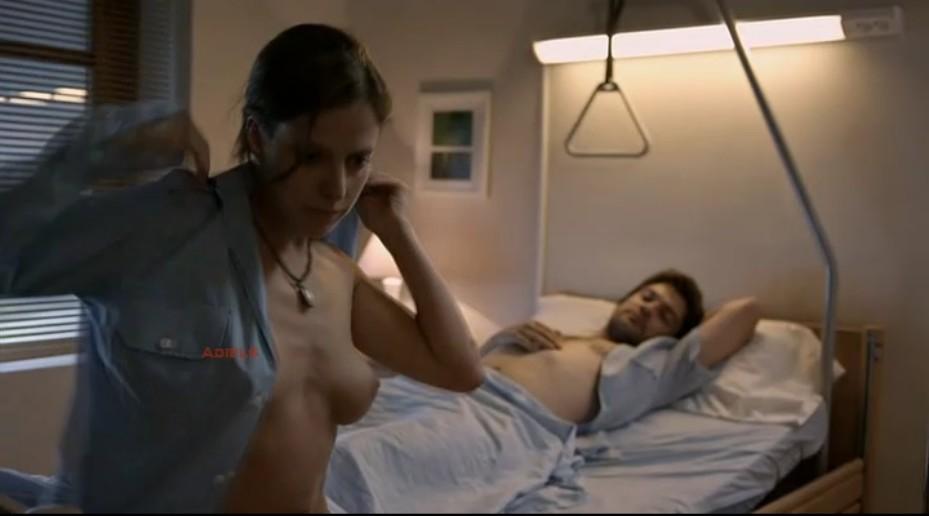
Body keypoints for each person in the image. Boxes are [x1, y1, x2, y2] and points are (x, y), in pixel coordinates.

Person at [0, 24, 483, 513]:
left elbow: (460, 369)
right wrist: (98, 150)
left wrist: (398, 230)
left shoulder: (333, 270)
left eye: (358, 160)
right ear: (257, 136)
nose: (337, 189)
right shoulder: (166, 232)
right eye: (311, 156)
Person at [324, 269, 761, 513]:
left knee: (359, 459)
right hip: (437, 389)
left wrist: (686, 332)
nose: (648, 309)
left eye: (665, 315)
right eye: (647, 296)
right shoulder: (561, 333)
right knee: (321, 436)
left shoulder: (655, 368)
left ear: (673, 338)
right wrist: (506, 338)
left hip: (505, 420)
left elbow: (746, 311)